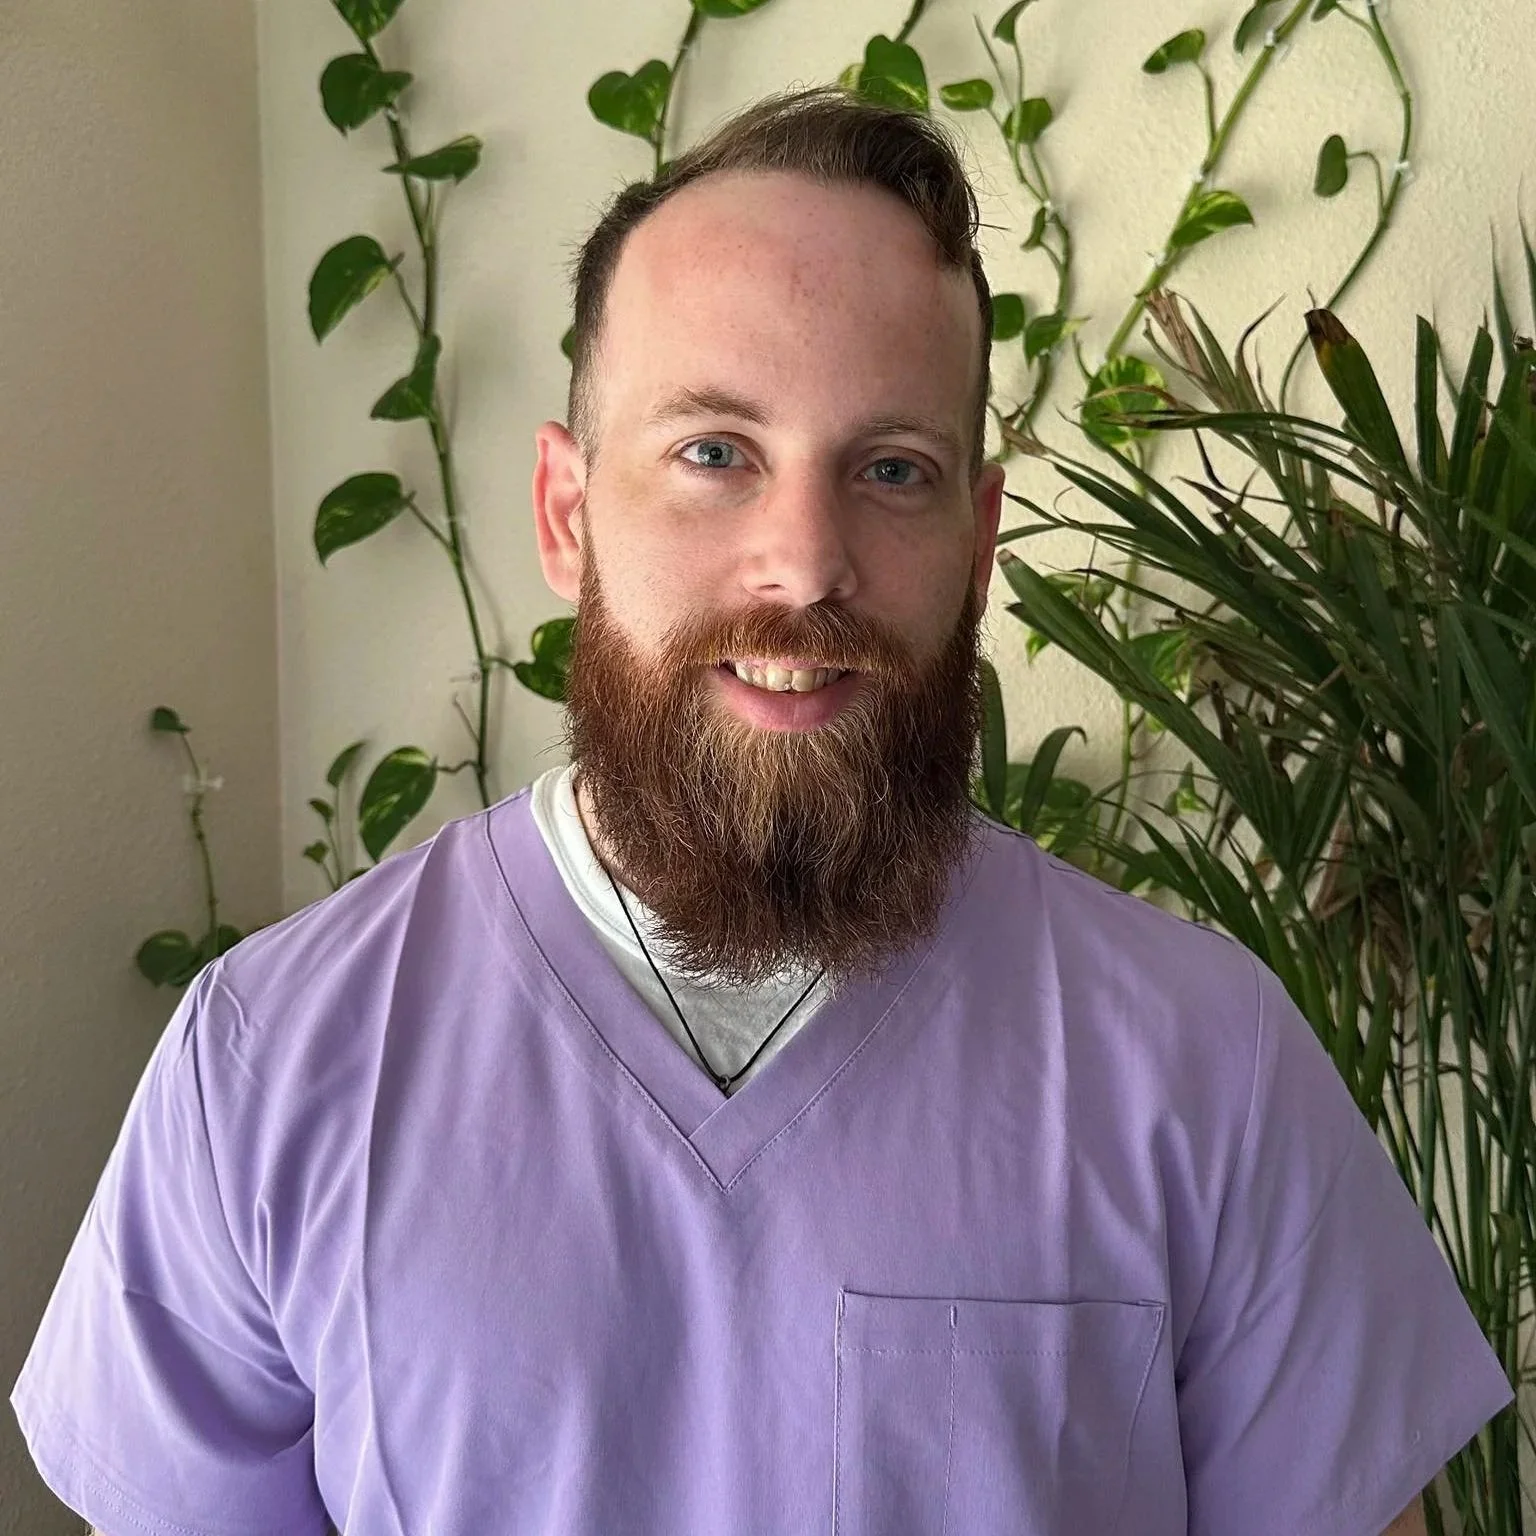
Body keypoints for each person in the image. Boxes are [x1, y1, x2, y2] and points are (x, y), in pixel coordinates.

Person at [11, 85, 1512, 1536]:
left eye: (893, 469)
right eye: (714, 453)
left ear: (978, 540)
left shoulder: (1205, 1063)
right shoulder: (269, 1064)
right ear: (565, 514)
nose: (804, 562)